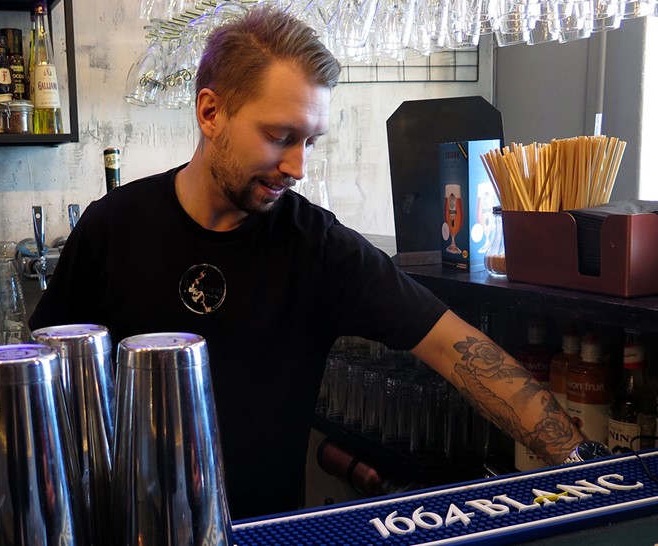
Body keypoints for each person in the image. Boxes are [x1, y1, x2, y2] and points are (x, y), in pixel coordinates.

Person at [30, 6, 587, 519]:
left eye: (311, 141)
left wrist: (583, 463)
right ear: (210, 112)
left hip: (270, 531)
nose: (297, 166)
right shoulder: (113, 227)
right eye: (280, 137)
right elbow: (43, 389)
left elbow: (454, 346)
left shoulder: (317, 245)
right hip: (128, 529)